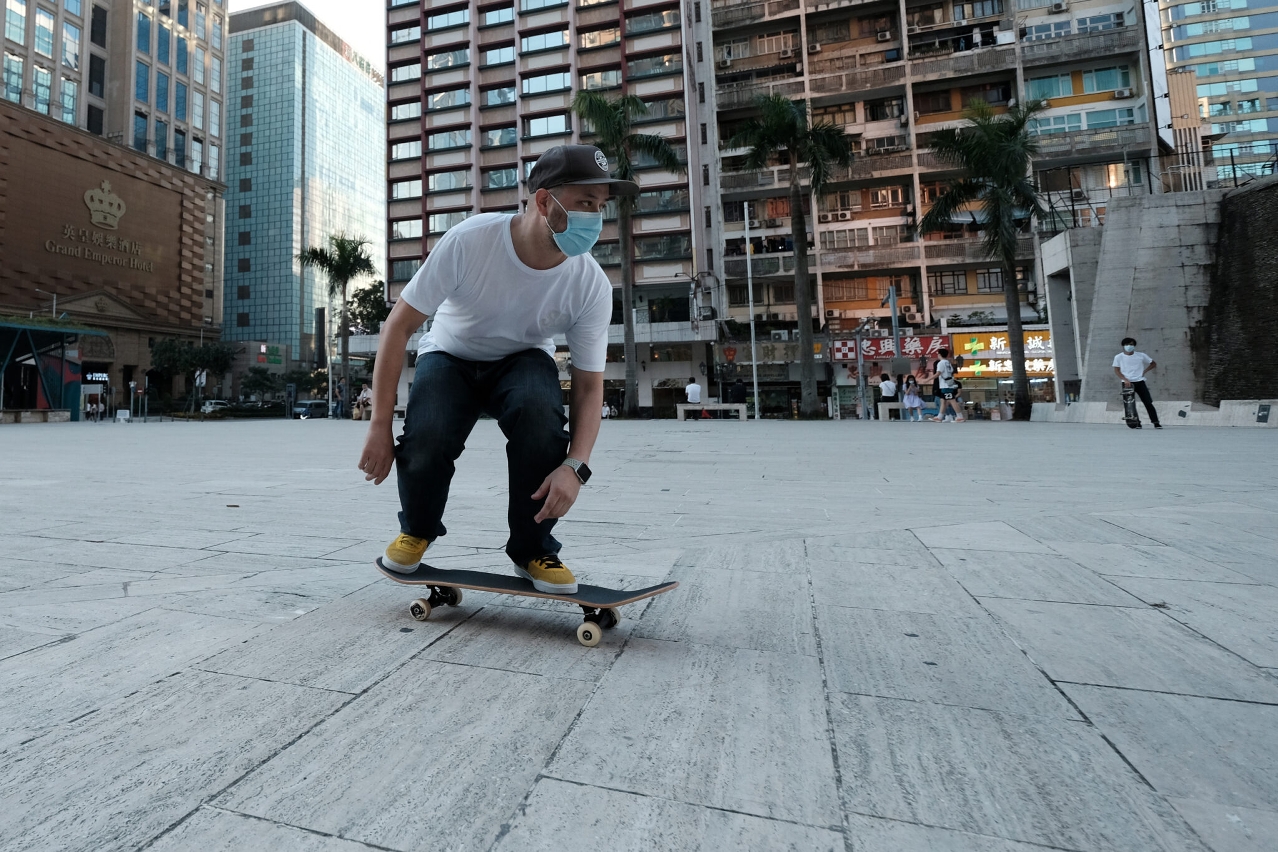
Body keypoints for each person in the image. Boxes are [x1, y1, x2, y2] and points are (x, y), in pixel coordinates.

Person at [358, 144, 632, 594]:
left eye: (600, 207)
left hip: (522, 359)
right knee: (429, 434)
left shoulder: (589, 285)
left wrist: (576, 466)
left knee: (539, 415)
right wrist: (378, 426)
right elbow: (397, 326)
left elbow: (588, 386)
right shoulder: (471, 240)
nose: (595, 218)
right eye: (585, 202)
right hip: (450, 353)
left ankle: (533, 549)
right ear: (543, 201)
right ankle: (417, 529)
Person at [1113, 337, 1161, 428]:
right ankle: (1136, 422)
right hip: (1127, 383)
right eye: (1127, 345)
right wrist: (1125, 379)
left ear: (1134, 346)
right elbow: (1117, 370)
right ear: (1123, 346)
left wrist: (1145, 371)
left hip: (1140, 381)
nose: (1129, 346)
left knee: (1148, 402)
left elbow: (1153, 363)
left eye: (1131, 344)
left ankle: (1156, 422)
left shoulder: (1141, 355)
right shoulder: (1118, 357)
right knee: (1130, 404)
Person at [930, 348, 965, 422]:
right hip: (948, 384)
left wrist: (927, 379)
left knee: (952, 400)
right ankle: (940, 417)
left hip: (945, 385)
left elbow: (938, 373)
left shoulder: (941, 363)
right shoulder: (948, 362)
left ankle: (960, 416)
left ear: (939, 354)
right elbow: (951, 371)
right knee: (943, 401)